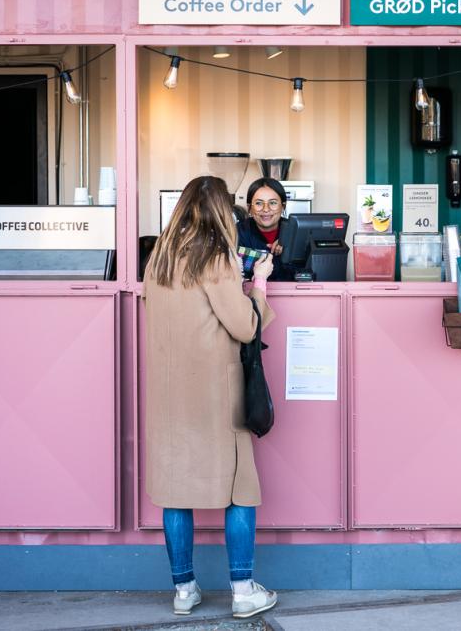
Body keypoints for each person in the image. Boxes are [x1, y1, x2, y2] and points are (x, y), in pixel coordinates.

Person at [143, 175, 278, 619]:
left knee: (174, 490)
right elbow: (244, 327)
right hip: (216, 395)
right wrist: (258, 283)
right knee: (240, 489)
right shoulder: (217, 259)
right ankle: (242, 590)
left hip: (167, 395)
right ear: (222, 212)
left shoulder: (158, 260)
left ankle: (184, 589)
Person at [237, 178, 294, 281]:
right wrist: (271, 256)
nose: (266, 209)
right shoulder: (237, 232)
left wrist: (288, 246)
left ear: (283, 206)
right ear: (249, 207)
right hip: (249, 294)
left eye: (272, 203)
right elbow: (239, 265)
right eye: (259, 203)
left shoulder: (295, 232)